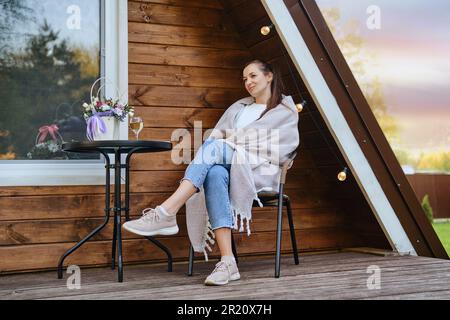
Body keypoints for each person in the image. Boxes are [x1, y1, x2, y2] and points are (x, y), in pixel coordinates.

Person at [123, 59, 299, 286]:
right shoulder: (239, 108)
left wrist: (232, 142)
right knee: (214, 172)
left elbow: (282, 147)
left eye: (253, 76)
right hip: (228, 160)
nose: (248, 82)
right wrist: (228, 143)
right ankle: (227, 262)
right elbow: (215, 136)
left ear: (269, 76)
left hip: (259, 170)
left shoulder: (284, 110)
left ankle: (167, 212)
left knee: (215, 150)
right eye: (245, 78)